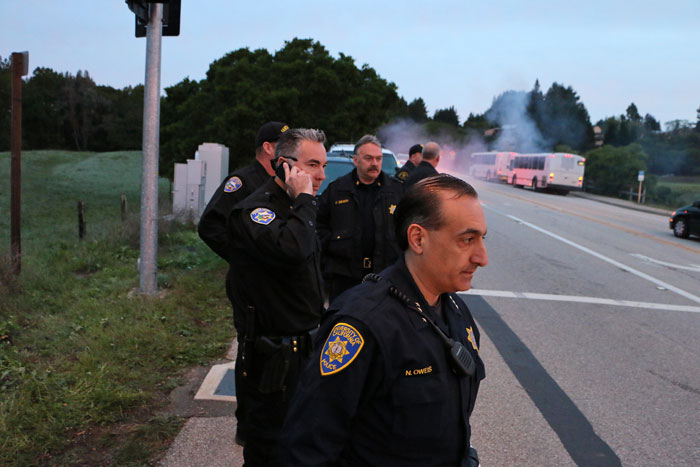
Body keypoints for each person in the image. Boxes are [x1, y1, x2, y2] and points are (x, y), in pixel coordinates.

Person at [281, 174, 488, 467]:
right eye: (467, 240)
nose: (482, 257)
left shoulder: (456, 312)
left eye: (481, 239)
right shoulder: (361, 325)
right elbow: (307, 448)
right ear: (418, 238)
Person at [228, 128, 327, 466]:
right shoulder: (257, 211)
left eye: (323, 165)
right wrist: (303, 200)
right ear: (285, 166)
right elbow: (294, 251)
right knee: (269, 451)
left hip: (309, 348)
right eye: (313, 165)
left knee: (306, 443)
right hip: (274, 358)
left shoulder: (301, 210)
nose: (321, 175)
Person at [197, 121, 289, 446]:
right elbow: (210, 225)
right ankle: (247, 423)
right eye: (284, 143)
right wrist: (242, 256)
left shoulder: (284, 182)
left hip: (276, 287)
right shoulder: (243, 181)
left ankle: (271, 419)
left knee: (277, 350)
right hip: (248, 285)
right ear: (268, 147)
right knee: (251, 348)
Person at [317, 134, 404, 302]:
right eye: (368, 158)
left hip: (385, 275)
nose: (375, 163)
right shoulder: (337, 190)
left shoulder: (396, 192)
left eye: (378, 159)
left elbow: (407, 227)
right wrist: (332, 251)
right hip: (345, 276)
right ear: (356, 160)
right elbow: (319, 224)